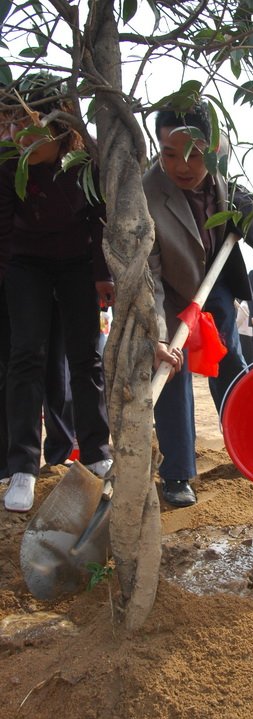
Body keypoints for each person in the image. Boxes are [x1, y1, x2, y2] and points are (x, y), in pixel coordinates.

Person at [144, 101, 253, 508]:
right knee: (171, 369)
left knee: (229, 360)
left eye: (194, 155)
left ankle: (248, 445)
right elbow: (148, 274)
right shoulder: (146, 193)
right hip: (169, 288)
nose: (182, 166)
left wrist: (249, 216)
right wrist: (156, 334)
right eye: (170, 154)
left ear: (215, 148)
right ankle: (177, 473)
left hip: (214, 280)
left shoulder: (224, 177)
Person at [0, 74, 114, 512]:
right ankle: (22, 466)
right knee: (26, 354)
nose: (18, 136)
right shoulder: (8, 163)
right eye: (12, 124)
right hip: (25, 263)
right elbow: (3, 230)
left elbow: (99, 218)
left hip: (76, 263)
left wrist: (102, 274)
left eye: (29, 126)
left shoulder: (85, 162)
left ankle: (96, 452)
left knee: (86, 357)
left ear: (61, 126)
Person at [235, 298, 253, 364]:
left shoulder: (243, 305)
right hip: (249, 333)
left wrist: (234, 328)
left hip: (243, 333)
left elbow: (239, 321)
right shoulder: (250, 305)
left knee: (245, 354)